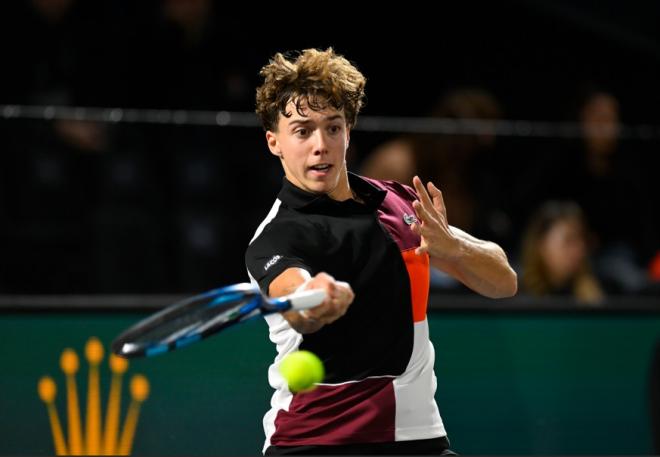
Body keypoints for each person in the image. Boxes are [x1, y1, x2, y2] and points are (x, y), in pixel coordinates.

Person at [245, 48, 518, 455]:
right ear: (274, 142)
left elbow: (504, 283)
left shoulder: (401, 205)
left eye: (332, 128)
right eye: (302, 131)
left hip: (418, 436)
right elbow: (294, 298)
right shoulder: (276, 237)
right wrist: (315, 298)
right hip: (316, 442)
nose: (320, 145)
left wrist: (454, 247)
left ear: (349, 131)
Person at [519, 201, 604, 305]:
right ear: (541, 244)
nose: (580, 249)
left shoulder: (592, 292)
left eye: (581, 240)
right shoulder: (515, 292)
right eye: (568, 240)